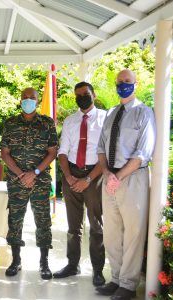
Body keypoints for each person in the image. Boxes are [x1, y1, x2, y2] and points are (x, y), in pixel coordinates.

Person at [96, 69, 156, 300]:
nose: (123, 85)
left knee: (133, 232)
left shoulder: (144, 113)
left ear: (136, 84)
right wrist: (107, 173)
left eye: (127, 81)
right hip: (109, 178)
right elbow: (101, 148)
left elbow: (143, 153)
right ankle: (116, 278)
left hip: (132, 179)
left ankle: (129, 285)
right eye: (119, 82)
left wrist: (117, 176)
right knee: (111, 232)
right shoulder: (111, 113)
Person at [0, 87, 57, 280]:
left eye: (31, 98)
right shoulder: (10, 124)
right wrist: (20, 174)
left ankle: (44, 263)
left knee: (43, 221)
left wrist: (34, 173)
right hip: (16, 182)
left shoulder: (47, 123)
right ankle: (16, 261)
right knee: (15, 220)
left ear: (38, 101)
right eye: (24, 97)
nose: (27, 100)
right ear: (20, 100)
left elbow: (52, 152)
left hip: (40, 181)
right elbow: (5, 153)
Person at [54, 82, 106, 286]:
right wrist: (68, 177)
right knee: (73, 226)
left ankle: (98, 270)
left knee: (96, 225)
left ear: (94, 94)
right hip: (72, 174)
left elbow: (105, 155)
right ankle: (72, 265)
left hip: (95, 174)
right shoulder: (70, 121)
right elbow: (63, 152)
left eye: (85, 94)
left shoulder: (105, 118)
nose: (81, 97)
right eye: (78, 95)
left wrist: (87, 179)